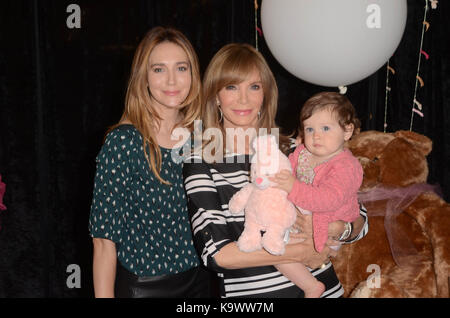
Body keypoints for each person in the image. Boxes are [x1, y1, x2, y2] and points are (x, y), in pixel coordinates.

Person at [183, 43, 368, 298]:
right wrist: (302, 251)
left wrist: (339, 229)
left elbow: (358, 214)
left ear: (266, 94)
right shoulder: (201, 159)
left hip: (326, 290)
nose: (243, 99)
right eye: (231, 87)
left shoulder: (294, 148)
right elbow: (216, 254)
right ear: (216, 96)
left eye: (254, 87)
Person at [88, 26, 210, 298]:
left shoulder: (202, 136)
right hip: (145, 287)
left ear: (193, 75)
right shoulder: (124, 142)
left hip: (201, 281)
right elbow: (103, 242)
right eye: (158, 69)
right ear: (142, 77)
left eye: (181, 68)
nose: (171, 81)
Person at [270, 92, 363, 297]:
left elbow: (329, 200)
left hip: (325, 225)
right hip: (305, 218)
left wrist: (293, 188)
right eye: (310, 129)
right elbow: (288, 171)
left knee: (276, 249)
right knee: (275, 242)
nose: (316, 136)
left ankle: (311, 286)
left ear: (347, 131)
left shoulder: (346, 165)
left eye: (326, 128)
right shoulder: (303, 153)